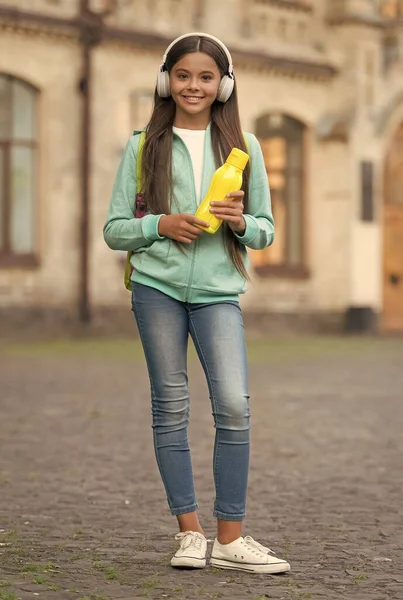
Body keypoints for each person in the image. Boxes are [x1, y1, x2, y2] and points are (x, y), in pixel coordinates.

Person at [103, 32, 290, 575]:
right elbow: (115, 230)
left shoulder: (245, 148)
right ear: (167, 81)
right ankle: (189, 533)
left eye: (206, 77)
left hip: (217, 294)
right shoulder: (143, 145)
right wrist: (159, 224)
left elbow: (266, 231)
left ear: (223, 85)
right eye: (183, 75)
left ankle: (231, 539)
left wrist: (238, 222)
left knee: (233, 405)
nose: (193, 86)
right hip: (156, 290)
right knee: (171, 406)